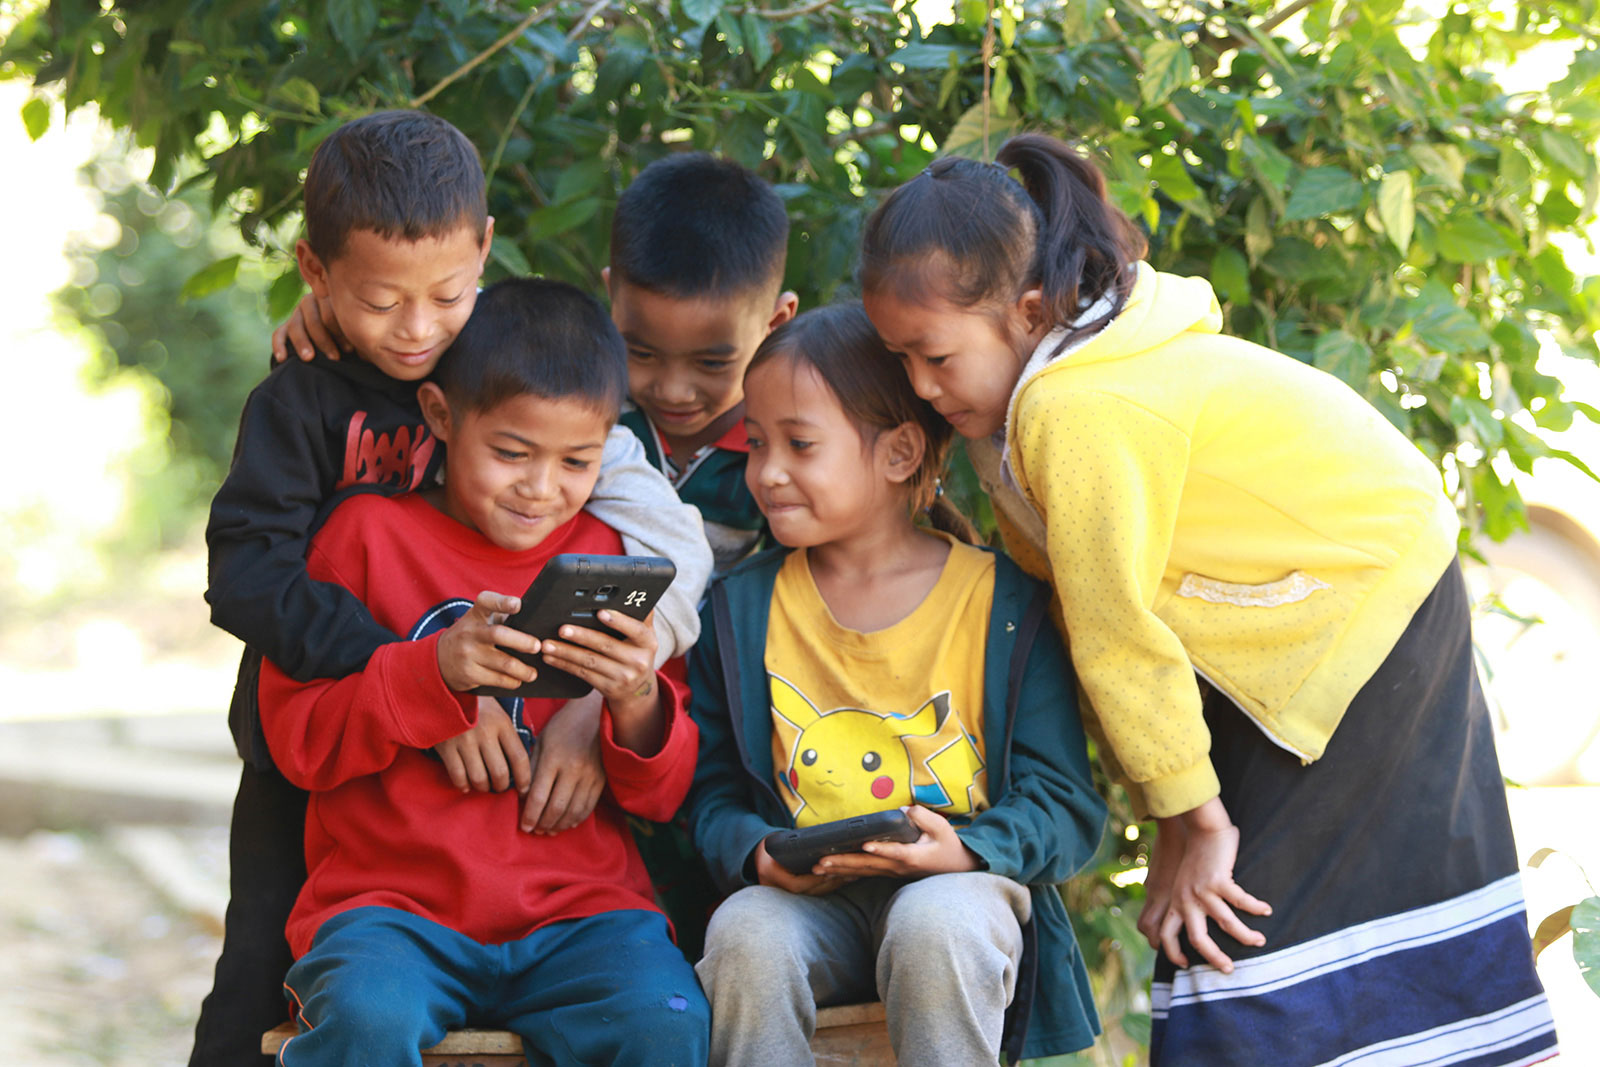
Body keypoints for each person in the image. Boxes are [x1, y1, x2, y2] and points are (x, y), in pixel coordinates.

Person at [858, 133, 1558, 1065]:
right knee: (1241, 925)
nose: (919, 384)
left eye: (935, 355)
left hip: (1353, 602)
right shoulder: (1035, 398)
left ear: (1027, 312)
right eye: (900, 359)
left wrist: (1192, 815)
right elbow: (1080, 612)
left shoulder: (1076, 409)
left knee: (1234, 926)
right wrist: (1177, 806)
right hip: (1304, 605)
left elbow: (1113, 630)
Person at [192, 110, 712, 1067]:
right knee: (266, 980)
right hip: (360, 815)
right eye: (381, 299)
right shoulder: (312, 408)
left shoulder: (557, 438)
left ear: (482, 256)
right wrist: (428, 677)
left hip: (568, 901)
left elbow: (673, 554)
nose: (418, 327)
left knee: (662, 1014)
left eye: (445, 294)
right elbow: (251, 580)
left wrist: (617, 697)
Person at [684, 303, 1107, 1066]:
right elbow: (711, 793)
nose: (766, 472)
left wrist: (966, 851)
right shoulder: (739, 608)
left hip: (957, 893)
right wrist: (758, 853)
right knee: (745, 932)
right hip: (808, 905)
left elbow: (1064, 803)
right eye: (755, 443)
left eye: (799, 444)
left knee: (934, 923)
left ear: (900, 452)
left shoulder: (1003, 602)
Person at [605, 151, 798, 575]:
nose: (673, 391)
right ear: (611, 298)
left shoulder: (787, 444)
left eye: (711, 363)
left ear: (775, 324)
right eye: (641, 354)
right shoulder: (587, 412)